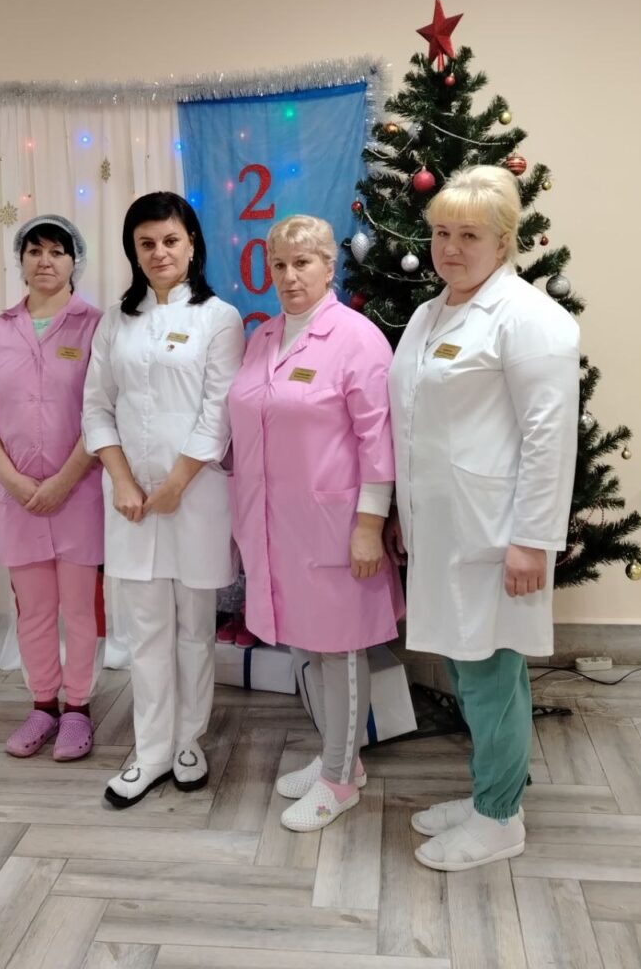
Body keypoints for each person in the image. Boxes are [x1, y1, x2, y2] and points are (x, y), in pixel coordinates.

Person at [386, 165, 580, 871]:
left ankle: (499, 818)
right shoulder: (430, 314)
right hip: (442, 528)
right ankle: (488, 795)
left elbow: (549, 437)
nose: (450, 248)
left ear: (504, 240)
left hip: (496, 534)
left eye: (469, 235)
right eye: (441, 232)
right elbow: (414, 422)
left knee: (491, 672)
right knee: (467, 666)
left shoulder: (530, 319)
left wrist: (532, 541)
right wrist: (403, 513)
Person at [228, 214, 404, 832]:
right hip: (276, 525)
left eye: (302, 262)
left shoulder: (357, 339)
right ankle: (340, 758)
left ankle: (340, 779)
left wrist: (369, 525)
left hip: (336, 524)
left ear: (330, 267)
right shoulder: (263, 337)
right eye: (279, 264)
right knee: (307, 644)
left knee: (342, 650)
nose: (289, 275)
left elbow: (378, 439)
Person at [83, 191, 245, 808]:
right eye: (146, 243)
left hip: (195, 497)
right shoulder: (114, 321)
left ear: (192, 244)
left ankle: (188, 742)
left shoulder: (219, 318)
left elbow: (217, 411)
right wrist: (124, 481)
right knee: (145, 630)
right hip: (130, 502)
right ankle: (149, 751)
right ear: (133, 250)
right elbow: (96, 408)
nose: (159, 253)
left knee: (194, 629)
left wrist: (176, 483)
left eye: (170, 240)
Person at [0, 215, 103, 761]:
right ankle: (43, 705)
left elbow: (103, 410)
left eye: (57, 251)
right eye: (34, 251)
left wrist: (63, 481)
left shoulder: (95, 326)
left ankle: (79, 708)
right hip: (18, 499)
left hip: (80, 493)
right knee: (35, 611)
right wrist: (13, 481)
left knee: (81, 610)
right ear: (20, 260)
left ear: (75, 261)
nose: (45, 261)